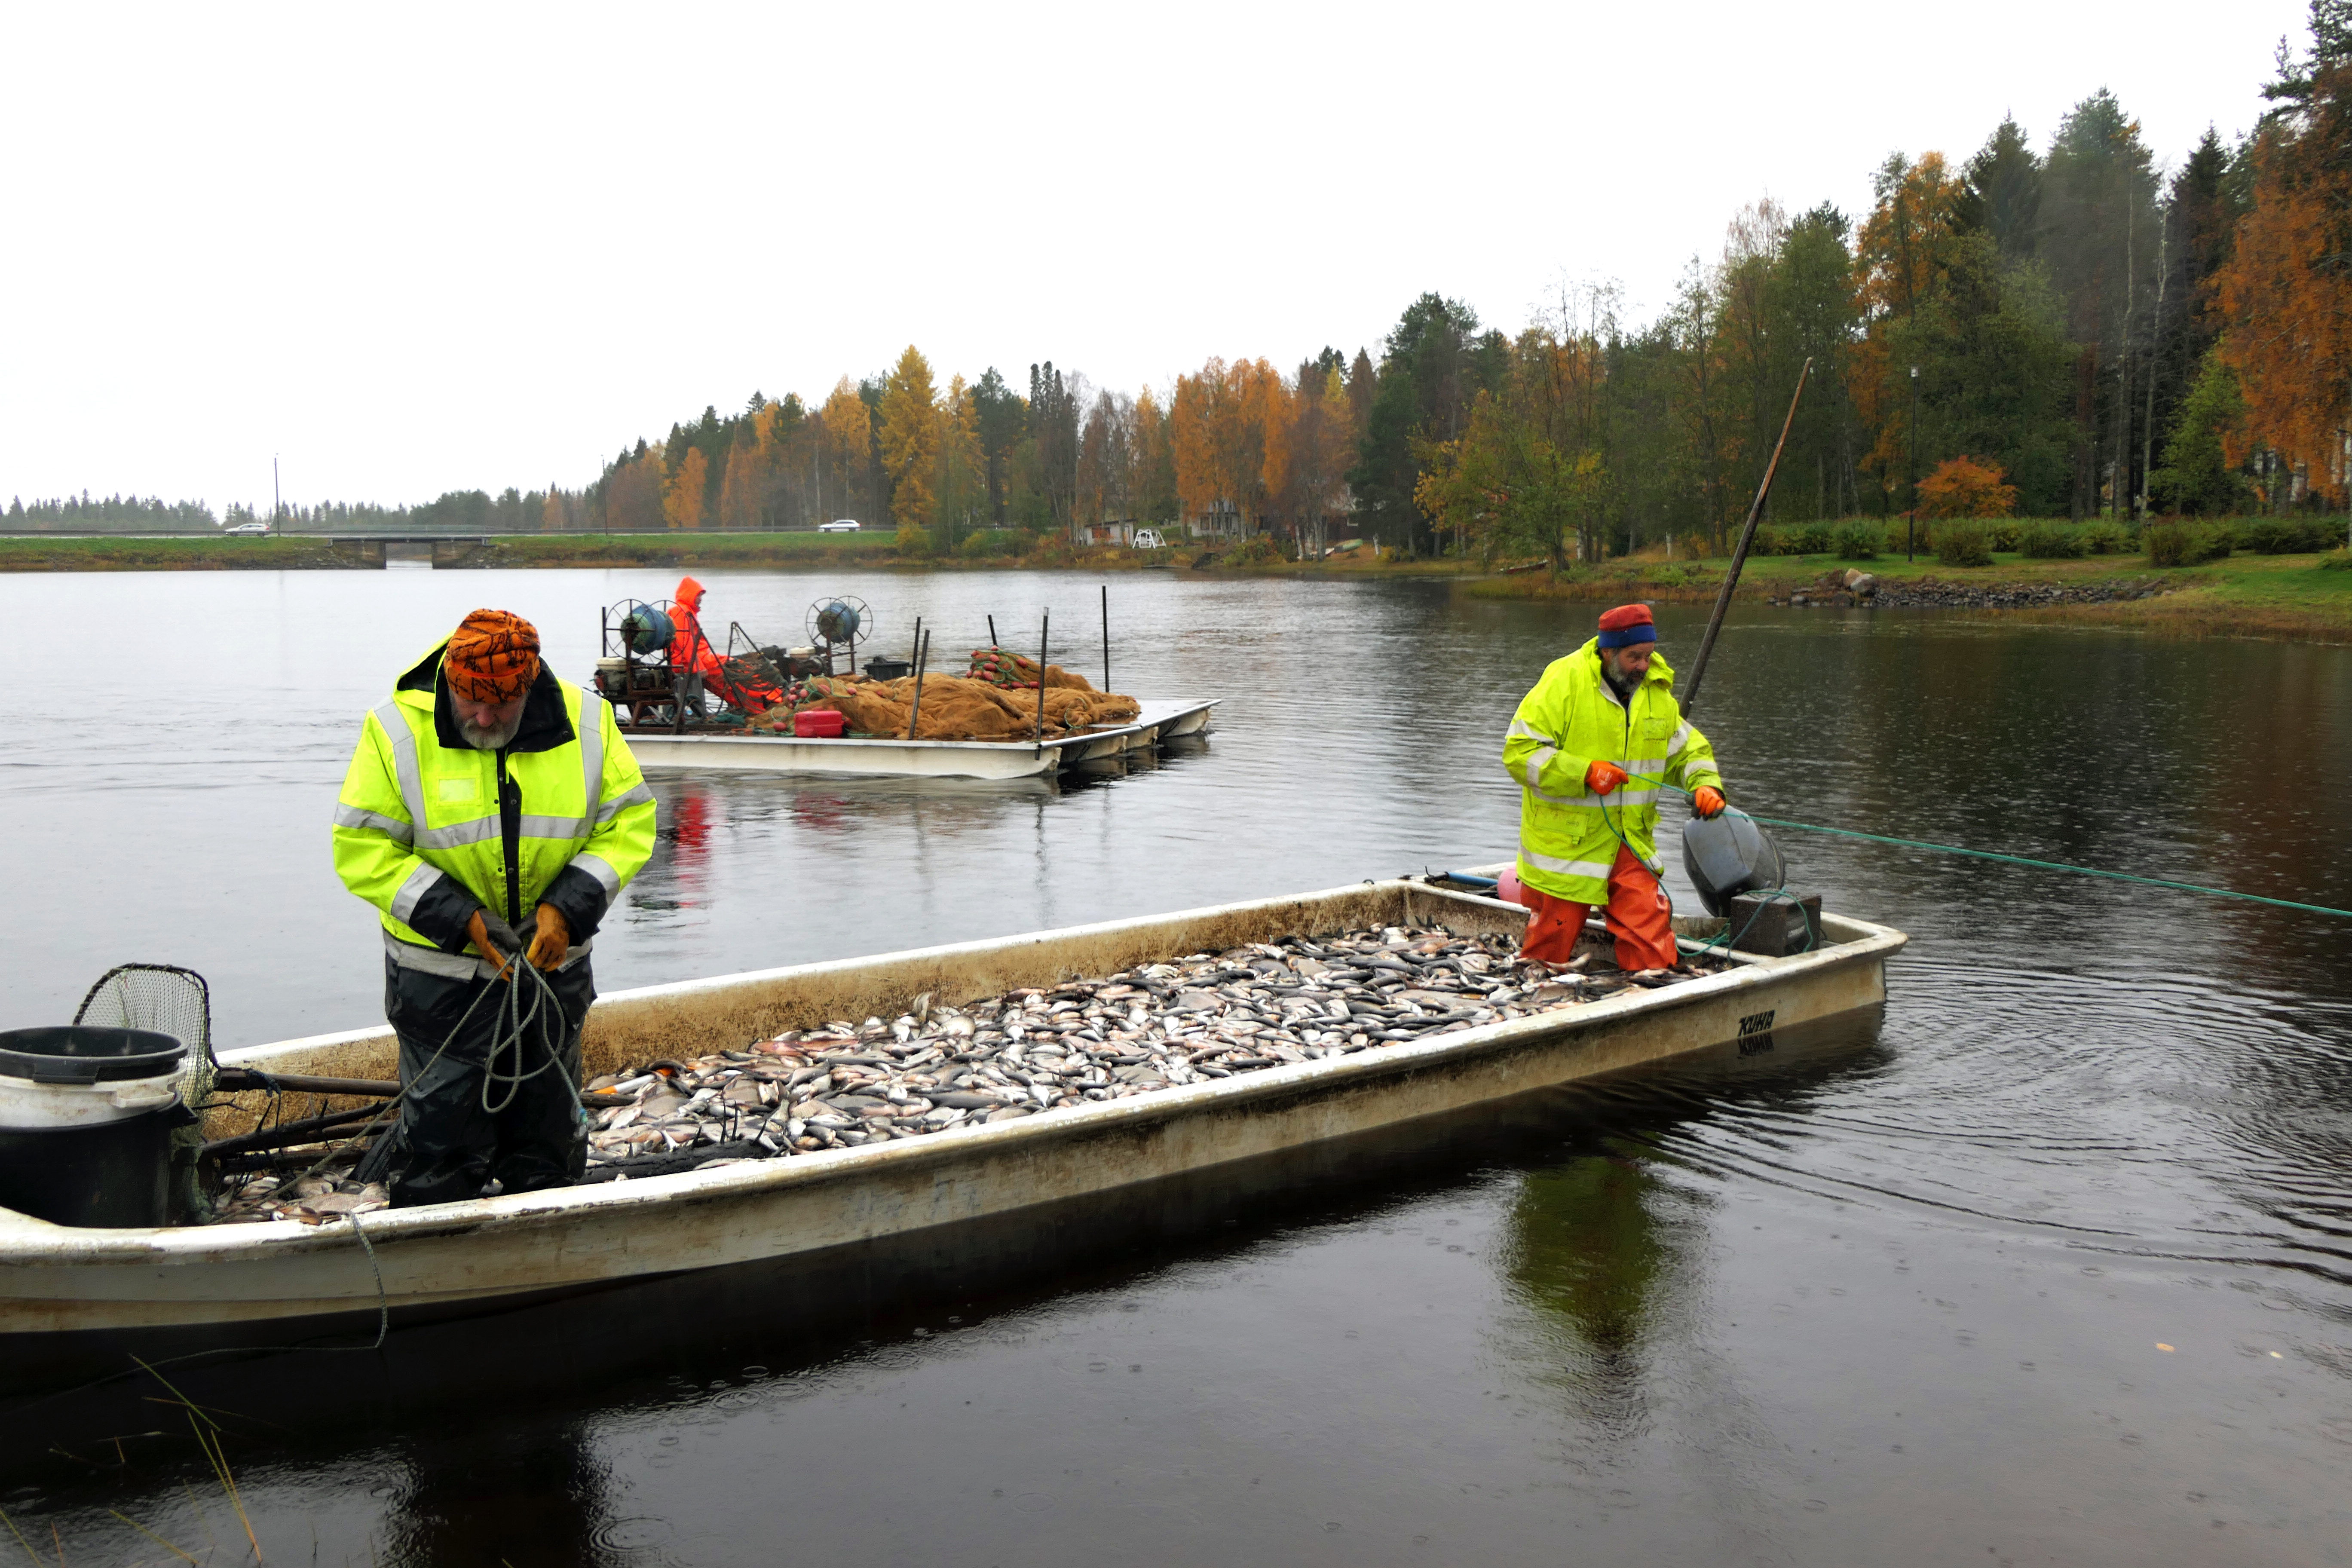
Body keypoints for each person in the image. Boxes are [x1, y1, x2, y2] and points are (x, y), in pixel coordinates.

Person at [332, 609, 658, 1206]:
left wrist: (567, 909)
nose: (483, 718)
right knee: (441, 1138)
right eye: (469, 703)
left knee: (548, 1132)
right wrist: (462, 920)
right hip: (441, 982)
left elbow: (629, 824)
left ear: (528, 689)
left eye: (501, 708)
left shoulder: (588, 721)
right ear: (449, 682)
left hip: (551, 973)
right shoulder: (395, 729)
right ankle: (438, 1249)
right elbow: (362, 848)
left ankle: (546, 1235)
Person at [1500, 603, 1728, 971]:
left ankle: (1647, 1008)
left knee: (1654, 956)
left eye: (1648, 656)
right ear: (1607, 652)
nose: (1643, 665)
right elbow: (1519, 753)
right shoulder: (1564, 682)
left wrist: (1706, 785)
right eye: (1633, 656)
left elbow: (1688, 751)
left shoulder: (1655, 690)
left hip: (1628, 842)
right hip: (1566, 852)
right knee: (1544, 955)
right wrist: (1584, 773)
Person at [669, 575, 781, 713]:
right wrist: (697, 665)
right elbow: (684, 642)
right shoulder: (681, 612)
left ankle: (759, 705)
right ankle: (775, 700)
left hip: (697, 659)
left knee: (728, 679)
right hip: (694, 661)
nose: (700, 600)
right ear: (689, 595)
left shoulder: (684, 611)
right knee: (739, 670)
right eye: (698, 596)